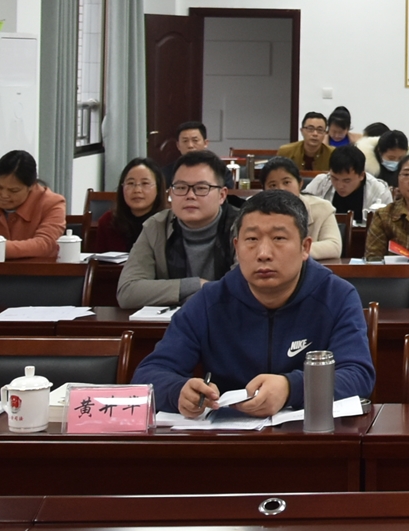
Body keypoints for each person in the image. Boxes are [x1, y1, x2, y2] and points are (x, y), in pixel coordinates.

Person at [135, 191, 373, 418]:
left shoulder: (336, 296)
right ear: (237, 247)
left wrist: (291, 388)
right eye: (251, 239)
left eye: (279, 238)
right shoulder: (210, 301)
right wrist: (178, 391)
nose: (264, 253)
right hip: (228, 436)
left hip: (309, 436)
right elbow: (149, 375)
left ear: (305, 248)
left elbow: (358, 375)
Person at [118, 149, 243, 308]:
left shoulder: (244, 226)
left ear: (222, 195)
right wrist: (195, 285)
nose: (190, 195)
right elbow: (127, 292)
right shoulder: (156, 226)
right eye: (181, 187)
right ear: (171, 192)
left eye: (201, 188)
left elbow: (245, 288)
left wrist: (192, 296)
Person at [260, 157, 343, 258]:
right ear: (264, 190)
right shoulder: (254, 211)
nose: (281, 189)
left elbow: (334, 247)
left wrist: (291, 251)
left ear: (300, 184)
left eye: (286, 182)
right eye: (273, 185)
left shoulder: (322, 208)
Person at [85, 158, 164, 254]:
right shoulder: (108, 221)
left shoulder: (169, 223)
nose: (137, 190)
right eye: (130, 183)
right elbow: (99, 260)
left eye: (145, 183)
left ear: (158, 188)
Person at [302, 145, 392, 221]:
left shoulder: (380, 191)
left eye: (347, 181)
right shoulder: (320, 183)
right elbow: (301, 210)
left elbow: (387, 226)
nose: (339, 186)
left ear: (361, 175)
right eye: (334, 178)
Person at [275, 111, 334, 176]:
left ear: (325, 133)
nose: (315, 134)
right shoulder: (285, 151)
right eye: (310, 129)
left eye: (320, 130)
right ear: (302, 131)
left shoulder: (333, 154)